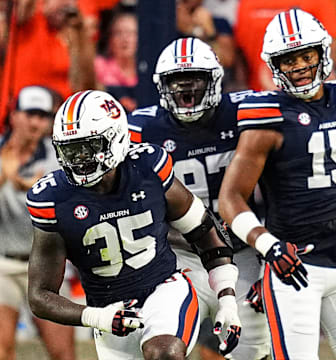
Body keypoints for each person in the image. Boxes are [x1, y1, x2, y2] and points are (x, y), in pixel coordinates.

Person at [25, 89, 242, 360]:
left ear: (115, 139)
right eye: (69, 150)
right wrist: (98, 317)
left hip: (165, 288)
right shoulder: (52, 198)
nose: (77, 160)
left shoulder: (148, 169)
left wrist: (227, 299)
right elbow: (40, 295)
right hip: (107, 310)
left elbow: (205, 230)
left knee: (165, 353)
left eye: (86, 148)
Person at [219, 8, 336, 360]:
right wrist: (269, 247)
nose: (298, 66)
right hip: (294, 266)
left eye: (306, 56)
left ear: (323, 53)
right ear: (273, 65)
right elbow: (231, 198)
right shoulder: (267, 114)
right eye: (288, 59)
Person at [127, 37, 270, 360]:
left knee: (252, 352)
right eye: (176, 83)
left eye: (195, 81)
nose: (186, 91)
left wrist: (268, 265)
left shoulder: (246, 112)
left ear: (215, 79)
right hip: (181, 256)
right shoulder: (141, 128)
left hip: (242, 250)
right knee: (158, 344)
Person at [0, 85, 75, 360]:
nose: (36, 122)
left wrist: (39, 192)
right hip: (3, 263)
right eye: (29, 114)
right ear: (14, 115)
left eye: (43, 116)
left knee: (64, 354)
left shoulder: (60, 157)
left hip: (47, 263)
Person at [0, 0, 96, 131]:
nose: (64, 4)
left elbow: (85, 85)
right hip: (20, 118)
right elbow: (24, 6)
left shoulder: (75, 36)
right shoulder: (30, 23)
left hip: (58, 124)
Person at [233, 0, 336, 91]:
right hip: (261, 91)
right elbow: (240, 49)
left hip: (308, 91)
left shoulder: (317, 2)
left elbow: (331, 44)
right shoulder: (247, 3)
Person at [95, 8, 138, 113]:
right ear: (110, 38)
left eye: (130, 33)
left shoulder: (146, 69)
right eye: (118, 33)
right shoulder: (98, 66)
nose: (125, 39)